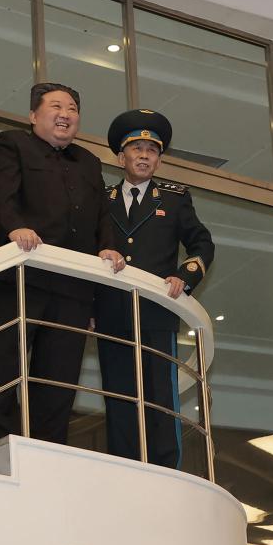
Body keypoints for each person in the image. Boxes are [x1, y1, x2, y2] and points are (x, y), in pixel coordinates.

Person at [0, 82, 126, 446]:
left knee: (59, 376)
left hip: (73, 287)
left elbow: (102, 215)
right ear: (33, 115)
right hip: (21, 276)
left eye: (73, 108)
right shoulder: (13, 143)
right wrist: (15, 227)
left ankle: (48, 448)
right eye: (56, 106)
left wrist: (108, 248)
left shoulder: (88, 161)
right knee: (3, 364)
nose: (66, 114)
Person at [94, 109, 215, 468]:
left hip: (156, 314)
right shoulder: (102, 199)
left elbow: (202, 244)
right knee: (118, 396)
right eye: (137, 149)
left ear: (159, 160)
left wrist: (185, 277)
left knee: (160, 396)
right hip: (111, 313)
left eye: (151, 150)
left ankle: (166, 469)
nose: (144, 155)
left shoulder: (175, 198)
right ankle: (126, 469)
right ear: (121, 157)